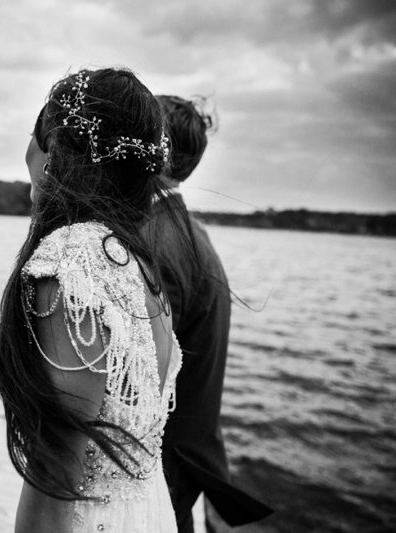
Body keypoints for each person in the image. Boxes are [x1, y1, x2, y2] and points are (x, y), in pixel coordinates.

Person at [0, 67, 184, 533]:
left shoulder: (71, 261)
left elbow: (53, 482)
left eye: (34, 135)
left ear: (53, 149)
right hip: (150, 512)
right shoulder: (137, 263)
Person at [152, 95, 273, 531]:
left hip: (163, 463)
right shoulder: (187, 230)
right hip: (188, 453)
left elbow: (142, 374)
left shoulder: (157, 241)